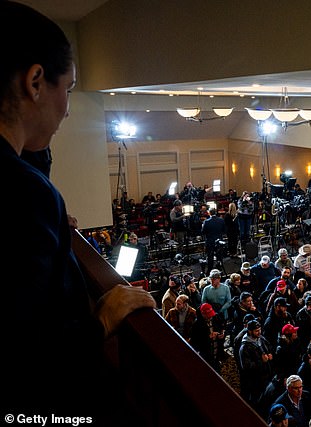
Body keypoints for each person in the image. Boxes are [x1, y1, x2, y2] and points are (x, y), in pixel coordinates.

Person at [1, 3, 157, 419]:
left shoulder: (26, 188)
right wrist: (101, 321)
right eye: (67, 90)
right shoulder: (23, 196)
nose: (68, 109)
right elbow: (26, 353)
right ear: (35, 81)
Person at [201, 207, 227, 274]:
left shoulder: (206, 222)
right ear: (216, 212)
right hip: (219, 241)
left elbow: (203, 232)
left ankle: (210, 269)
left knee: (210, 256)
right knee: (219, 256)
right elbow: (224, 230)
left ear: (209, 213)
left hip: (210, 241)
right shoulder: (221, 220)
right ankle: (219, 268)